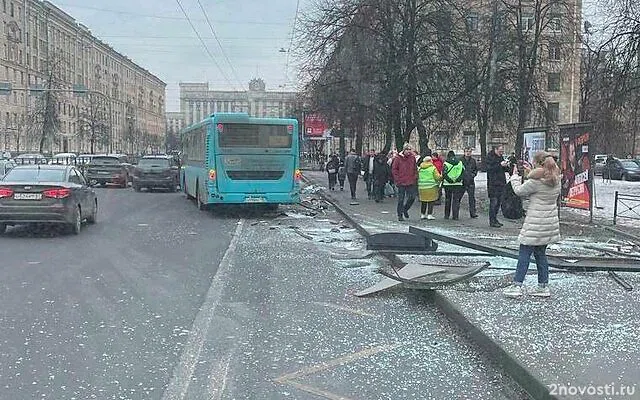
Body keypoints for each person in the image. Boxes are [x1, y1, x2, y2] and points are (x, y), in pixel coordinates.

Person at [503, 151, 561, 298]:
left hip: (535, 223)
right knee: (541, 254)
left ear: (538, 163)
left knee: (524, 253)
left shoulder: (536, 182)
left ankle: (517, 286)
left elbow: (519, 191)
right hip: (549, 223)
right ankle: (543, 286)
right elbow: (540, 179)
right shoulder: (556, 179)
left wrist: (514, 177)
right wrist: (531, 172)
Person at [392, 143, 419, 221]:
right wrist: (397, 179)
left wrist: (415, 176)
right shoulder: (398, 158)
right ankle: (400, 215)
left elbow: (415, 168)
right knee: (401, 199)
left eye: (410, 149)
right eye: (407, 149)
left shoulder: (412, 158)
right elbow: (394, 169)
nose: (409, 151)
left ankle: (405, 209)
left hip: (410, 181)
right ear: (404, 150)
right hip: (401, 181)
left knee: (412, 197)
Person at [486, 145, 510, 227]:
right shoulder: (490, 157)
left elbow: (503, 169)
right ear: (495, 150)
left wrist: (507, 166)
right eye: (500, 151)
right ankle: (492, 220)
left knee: (498, 202)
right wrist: (500, 165)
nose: (501, 152)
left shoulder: (500, 157)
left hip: (501, 183)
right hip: (493, 184)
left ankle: (495, 219)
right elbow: (490, 169)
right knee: (494, 202)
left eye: (502, 151)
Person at [442, 151, 465, 220]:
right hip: (458, 184)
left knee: (448, 199)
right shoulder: (460, 163)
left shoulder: (446, 163)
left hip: (448, 184)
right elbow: (463, 172)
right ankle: (455, 216)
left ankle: (447, 215)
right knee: (456, 200)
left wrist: (450, 180)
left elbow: (444, 173)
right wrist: (458, 179)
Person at [418, 156, 442, 220]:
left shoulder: (420, 168)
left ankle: (422, 214)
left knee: (423, 201)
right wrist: (441, 177)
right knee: (431, 201)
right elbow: (437, 177)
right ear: (430, 160)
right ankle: (429, 214)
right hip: (431, 186)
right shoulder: (433, 168)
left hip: (422, 187)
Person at [461, 147, 478, 218]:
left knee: (472, 198)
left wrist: (473, 174)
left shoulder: (473, 160)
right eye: (467, 151)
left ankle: (473, 213)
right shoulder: (460, 160)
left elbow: (475, 169)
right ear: (464, 152)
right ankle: (455, 213)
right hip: (462, 181)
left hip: (470, 181)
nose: (468, 153)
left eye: (470, 151)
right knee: (458, 197)